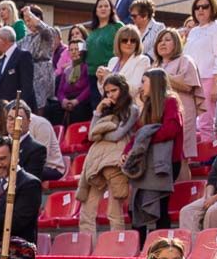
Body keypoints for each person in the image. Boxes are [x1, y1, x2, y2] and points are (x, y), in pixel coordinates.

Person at [77, 74, 139, 236]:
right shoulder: (104, 108)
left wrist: (101, 134)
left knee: (114, 210)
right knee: (87, 211)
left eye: (114, 90)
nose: (110, 95)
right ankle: (86, 251)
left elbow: (118, 134)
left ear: (123, 89)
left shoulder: (132, 109)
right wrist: (98, 111)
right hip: (96, 160)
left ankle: (117, 249)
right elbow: (91, 134)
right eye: (107, 92)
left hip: (115, 160)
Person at [125, 69, 184, 234]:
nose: (141, 85)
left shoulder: (171, 102)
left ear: (155, 83)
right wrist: (127, 152)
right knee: (135, 207)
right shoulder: (148, 106)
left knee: (160, 207)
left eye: (144, 81)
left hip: (165, 163)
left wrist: (145, 139)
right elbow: (138, 134)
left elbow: (170, 130)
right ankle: (142, 247)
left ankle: (162, 248)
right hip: (147, 163)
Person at [151, 28, 204, 164]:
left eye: (167, 40)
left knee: (181, 157)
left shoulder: (185, 60)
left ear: (176, 43)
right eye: (160, 41)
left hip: (182, 111)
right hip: (159, 113)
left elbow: (188, 86)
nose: (163, 43)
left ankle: (183, 186)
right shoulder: (155, 64)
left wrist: (162, 77)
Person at [182, 0, 217, 141]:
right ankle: (205, 155)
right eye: (197, 7)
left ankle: (215, 154)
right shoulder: (193, 31)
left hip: (210, 78)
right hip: (193, 81)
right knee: (200, 122)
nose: (200, 10)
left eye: (205, 7)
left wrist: (216, 83)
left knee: (211, 120)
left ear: (212, 8)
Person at [96, 24, 150, 104]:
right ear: (118, 42)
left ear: (137, 43)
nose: (129, 43)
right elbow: (106, 91)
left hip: (131, 107)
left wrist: (109, 76)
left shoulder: (142, 60)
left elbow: (135, 89)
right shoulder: (113, 61)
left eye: (133, 40)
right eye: (125, 40)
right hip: (113, 106)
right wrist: (101, 80)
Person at [46, 33, 92, 125]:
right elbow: (60, 91)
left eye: (77, 49)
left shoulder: (87, 67)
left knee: (78, 112)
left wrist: (76, 101)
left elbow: (89, 88)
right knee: (51, 109)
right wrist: (63, 101)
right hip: (67, 101)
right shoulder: (67, 69)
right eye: (71, 50)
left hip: (81, 101)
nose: (74, 52)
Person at [20, 5, 59, 110]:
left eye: (30, 20)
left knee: (40, 106)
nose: (28, 24)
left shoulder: (48, 32)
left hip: (42, 72)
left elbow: (43, 28)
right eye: (26, 21)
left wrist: (29, 14)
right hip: (28, 74)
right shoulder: (26, 39)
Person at [86, 0, 123, 103]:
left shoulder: (117, 26)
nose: (103, 8)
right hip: (92, 74)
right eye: (100, 6)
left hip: (109, 73)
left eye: (106, 6)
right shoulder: (93, 30)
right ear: (96, 11)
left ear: (111, 9)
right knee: (96, 107)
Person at [0, 26, 36, 111]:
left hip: (18, 109)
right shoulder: (2, 59)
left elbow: (27, 86)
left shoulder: (23, 56)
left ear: (5, 40)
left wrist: (20, 107)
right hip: (4, 109)